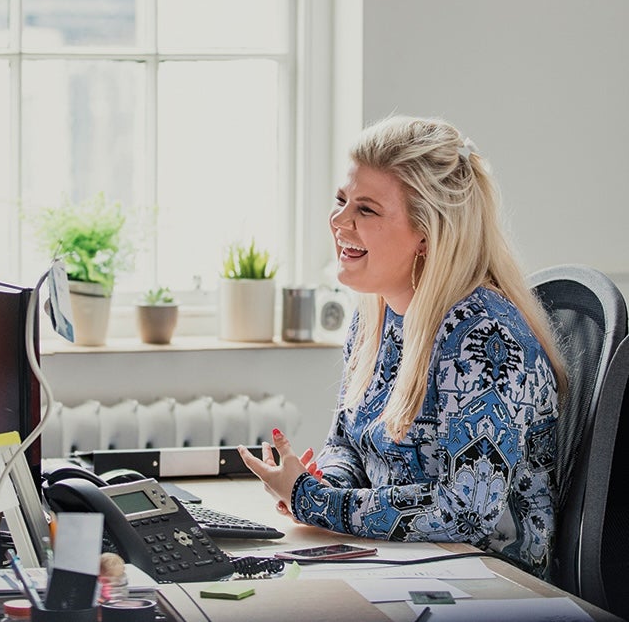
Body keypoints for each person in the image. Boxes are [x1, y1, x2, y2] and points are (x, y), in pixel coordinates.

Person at [238, 115, 567, 580]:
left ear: (426, 236)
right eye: (340, 201)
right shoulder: (374, 315)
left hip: (488, 580)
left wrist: (315, 502)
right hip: (401, 563)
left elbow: (469, 513)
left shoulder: (484, 338)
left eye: (366, 210)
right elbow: (347, 443)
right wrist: (322, 484)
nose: (338, 221)